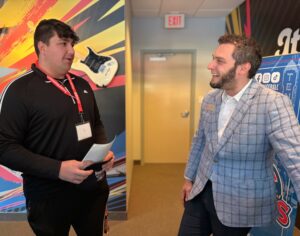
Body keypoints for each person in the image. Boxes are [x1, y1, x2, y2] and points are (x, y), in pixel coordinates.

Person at [0, 19, 114, 236]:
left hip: (91, 191)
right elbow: (4, 148)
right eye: (63, 44)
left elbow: (95, 123)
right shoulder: (19, 90)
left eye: (72, 44)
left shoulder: (81, 84)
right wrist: (58, 169)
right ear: (42, 47)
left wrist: (102, 152)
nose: (71, 51)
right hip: (47, 196)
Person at [178, 34, 300, 236]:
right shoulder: (211, 99)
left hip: (240, 203)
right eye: (213, 58)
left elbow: (295, 158)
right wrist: (188, 178)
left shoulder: (273, 103)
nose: (210, 65)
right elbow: (200, 141)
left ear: (243, 67)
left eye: (219, 61)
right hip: (200, 191)